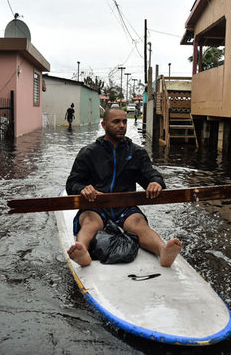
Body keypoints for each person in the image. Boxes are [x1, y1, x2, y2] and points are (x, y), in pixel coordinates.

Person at [65, 107, 182, 267]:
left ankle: (163, 250)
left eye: (124, 121)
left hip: (124, 208)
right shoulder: (88, 153)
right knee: (90, 222)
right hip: (96, 206)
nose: (122, 125)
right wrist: (83, 189)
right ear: (104, 125)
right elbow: (72, 183)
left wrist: (156, 183)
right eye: (116, 122)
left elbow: (151, 174)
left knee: (139, 223)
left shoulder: (137, 153)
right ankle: (82, 251)